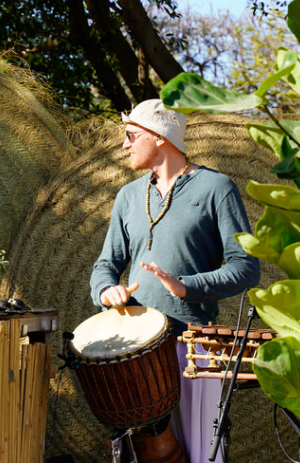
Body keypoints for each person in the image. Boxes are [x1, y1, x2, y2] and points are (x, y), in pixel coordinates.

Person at [89, 99, 261, 463]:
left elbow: (246, 267)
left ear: (160, 136)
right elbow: (105, 264)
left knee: (200, 454)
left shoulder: (217, 188)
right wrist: (107, 290)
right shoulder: (128, 197)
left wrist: (187, 286)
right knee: (144, 455)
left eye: (131, 135)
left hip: (193, 346)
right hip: (135, 349)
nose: (124, 145)